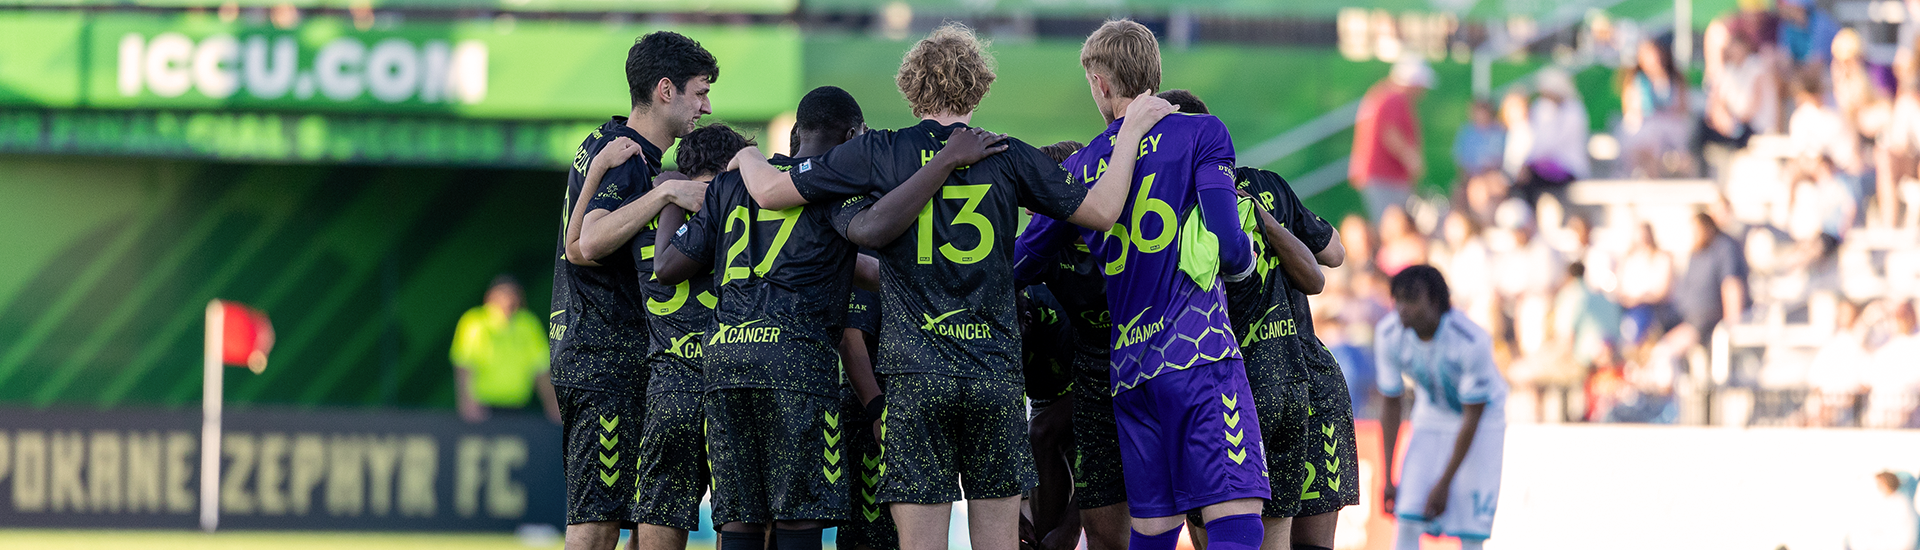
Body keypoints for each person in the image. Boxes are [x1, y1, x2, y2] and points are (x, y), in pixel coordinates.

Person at [727, 24, 1171, 550]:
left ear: (910, 87)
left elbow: (772, 193)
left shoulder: (880, 152)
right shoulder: (1007, 153)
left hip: (916, 376)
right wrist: (1133, 131)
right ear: (981, 86)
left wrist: (748, 156)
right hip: (993, 374)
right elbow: (1103, 209)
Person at [1012, 19, 1269, 550]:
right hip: (1199, 356)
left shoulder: (1081, 166)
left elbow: (1021, 261)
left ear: (1102, 84)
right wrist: (1240, 272)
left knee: (1152, 529)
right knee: (1235, 517)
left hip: (1129, 371)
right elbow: (1227, 239)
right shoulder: (1202, 131)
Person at [1155, 91, 1356, 550]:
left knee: (1227, 537)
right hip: (1308, 376)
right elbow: (1335, 254)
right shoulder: (1267, 184)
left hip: (1228, 384)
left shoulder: (1169, 208)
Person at [550, 31, 716, 550]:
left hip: (605, 352)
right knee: (596, 524)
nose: (706, 106)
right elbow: (588, 243)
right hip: (603, 354)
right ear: (665, 89)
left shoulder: (608, 144)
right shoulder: (628, 159)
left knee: (633, 521)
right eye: (699, 91)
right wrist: (667, 191)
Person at [1375, 265, 1507, 550]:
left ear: (1434, 301)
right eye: (1397, 299)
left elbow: (1472, 416)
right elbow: (1390, 402)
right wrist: (1388, 476)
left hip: (1482, 423)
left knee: (1470, 530)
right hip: (1431, 416)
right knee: (1408, 516)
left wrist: (1445, 482)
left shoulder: (1472, 341)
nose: (1402, 308)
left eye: (1411, 299)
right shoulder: (1388, 335)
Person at [451, 274, 562, 424]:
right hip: (483, 408)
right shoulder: (474, 322)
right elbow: (464, 366)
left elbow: (541, 370)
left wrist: (552, 405)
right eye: (502, 293)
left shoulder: (528, 324)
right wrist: (467, 403)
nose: (508, 299)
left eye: (513, 293)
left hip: (517, 407)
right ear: (489, 296)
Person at [1351, 57, 1435, 221]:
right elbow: (1390, 133)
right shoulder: (1394, 98)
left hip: (1378, 175)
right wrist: (1412, 159)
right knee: (1392, 224)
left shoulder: (1380, 94)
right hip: (1386, 176)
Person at [1619, 37, 1695, 178]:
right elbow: (1630, 109)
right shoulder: (1635, 80)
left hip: (1670, 126)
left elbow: (1683, 107)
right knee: (1645, 136)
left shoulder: (1675, 79)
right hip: (1645, 126)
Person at [1517, 68, 1590, 205]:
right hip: (1545, 165)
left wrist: (1531, 162)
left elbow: (1554, 142)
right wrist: (1527, 162)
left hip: (1569, 165)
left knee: (1530, 180)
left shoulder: (1574, 111)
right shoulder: (1544, 108)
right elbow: (1537, 140)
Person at [1848, 471, 1919, 550]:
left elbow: (1905, 537)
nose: (1877, 486)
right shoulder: (1883, 501)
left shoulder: (1901, 504)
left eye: (1880, 483)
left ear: (1887, 484)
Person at [1452, 100, 1505, 181]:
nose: (1481, 116)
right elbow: (1460, 159)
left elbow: (1502, 158)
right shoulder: (1466, 132)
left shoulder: (1499, 131)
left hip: (1494, 175)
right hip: (1471, 176)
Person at [1776, 0, 1840, 65]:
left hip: (1829, 69)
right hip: (1800, 69)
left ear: (1802, 8)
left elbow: (1818, 61)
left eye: (1792, 7)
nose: (1788, 11)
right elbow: (1785, 55)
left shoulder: (1821, 24)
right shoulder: (1788, 26)